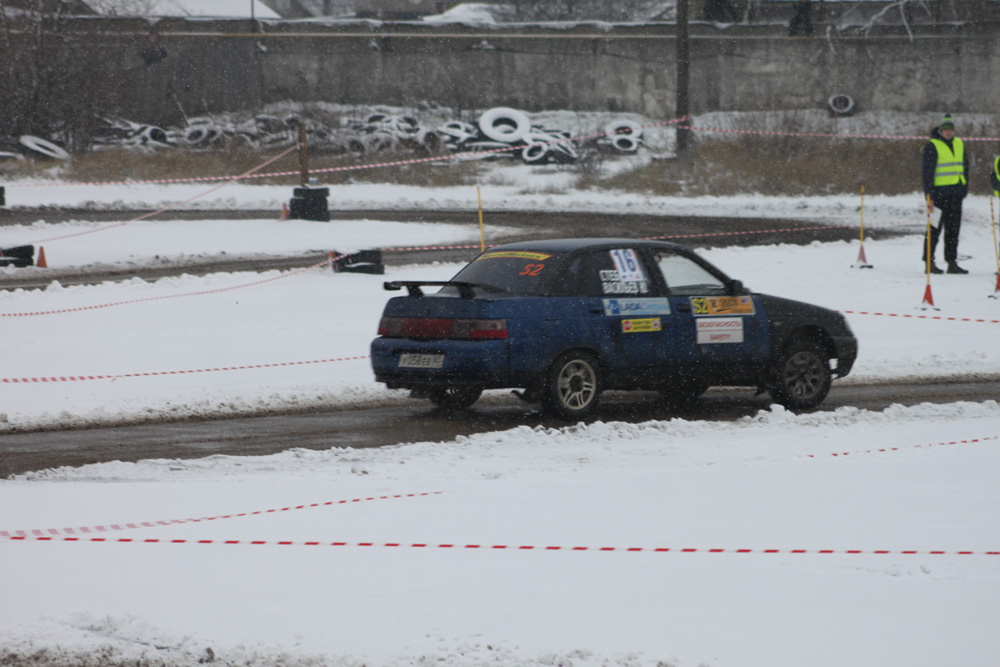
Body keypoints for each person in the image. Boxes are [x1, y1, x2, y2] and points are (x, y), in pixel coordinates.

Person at [922, 114, 969, 274]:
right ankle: (929, 262)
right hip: (939, 195)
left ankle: (951, 262)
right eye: (946, 129)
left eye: (951, 129)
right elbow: (927, 173)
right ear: (941, 130)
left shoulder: (959, 144)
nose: (949, 132)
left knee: (953, 231)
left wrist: (964, 188)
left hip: (956, 194)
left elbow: (965, 167)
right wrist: (929, 196)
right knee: (934, 230)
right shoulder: (932, 145)